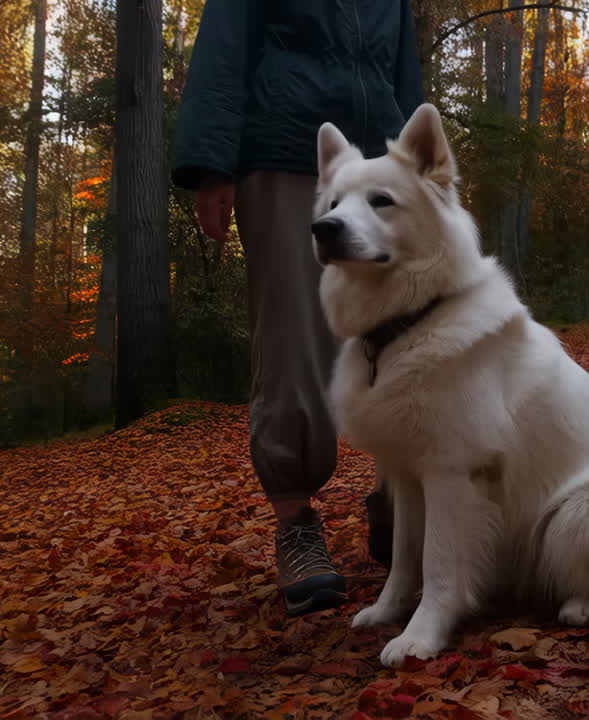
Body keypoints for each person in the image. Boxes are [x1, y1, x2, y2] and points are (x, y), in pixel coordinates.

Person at [172, 2, 423, 616]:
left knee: (408, 334)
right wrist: (212, 165)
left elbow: (405, 72)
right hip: (285, 155)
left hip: (377, 161)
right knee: (292, 343)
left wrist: (413, 164)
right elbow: (224, 49)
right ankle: (297, 525)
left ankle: (399, 500)